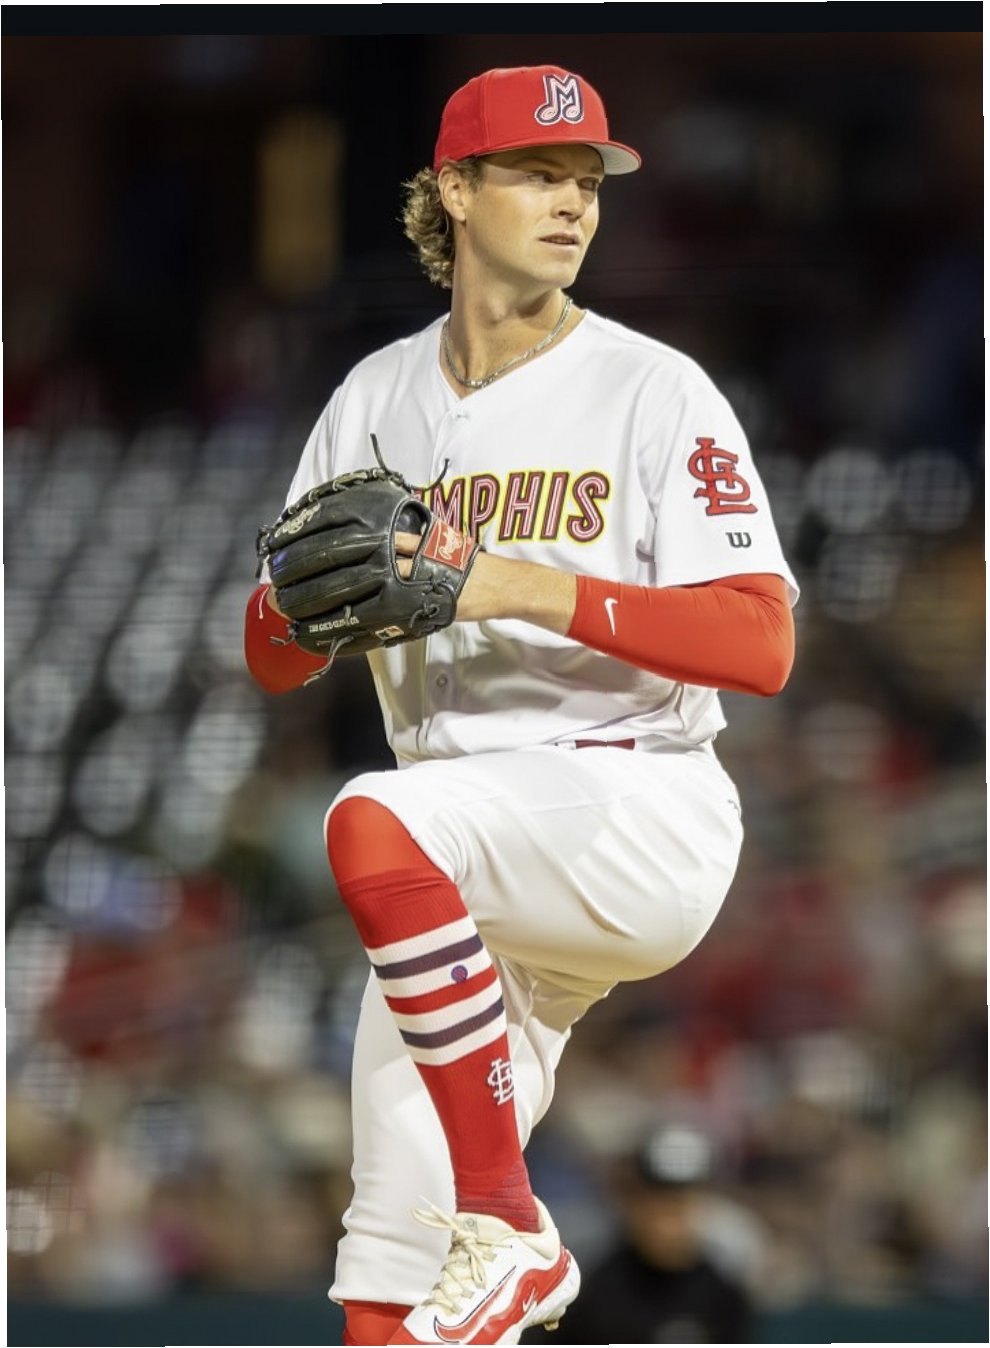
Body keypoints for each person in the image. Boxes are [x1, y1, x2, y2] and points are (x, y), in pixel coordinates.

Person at [244, 63, 797, 1348]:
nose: (572, 203)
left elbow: (762, 642)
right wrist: (302, 607)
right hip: (464, 877)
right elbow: (272, 656)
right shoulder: (373, 397)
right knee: (389, 1283)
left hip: (632, 801)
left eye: (586, 180)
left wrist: (511, 582)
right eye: (539, 174)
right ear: (454, 189)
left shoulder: (654, 389)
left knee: (372, 819)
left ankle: (511, 1219)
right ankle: (483, 1246)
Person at [556, 1123, 757, 1344]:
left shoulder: (723, 1296)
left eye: (680, 1205)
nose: (669, 1222)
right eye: (660, 1205)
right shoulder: (594, 1292)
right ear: (635, 1205)